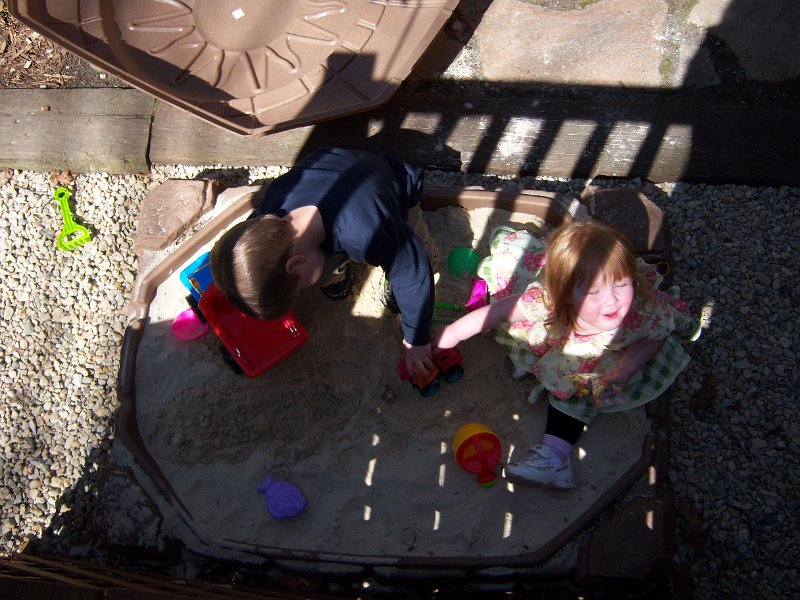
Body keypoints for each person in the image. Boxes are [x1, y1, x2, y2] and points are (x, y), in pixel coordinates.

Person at [434, 220, 699, 489]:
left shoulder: (643, 311)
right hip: (562, 335)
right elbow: (500, 311)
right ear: (567, 295)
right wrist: (454, 333)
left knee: (582, 393)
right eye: (594, 291)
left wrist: (625, 370)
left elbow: (656, 336)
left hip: (606, 354)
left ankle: (555, 458)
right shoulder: (549, 299)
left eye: (621, 284)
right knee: (515, 284)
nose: (612, 300)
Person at [209, 147, 439, 376]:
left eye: (299, 291)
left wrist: (417, 339)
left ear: (295, 263)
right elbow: (248, 242)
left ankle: (394, 287)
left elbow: (413, 271)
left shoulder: (364, 231)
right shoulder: (271, 213)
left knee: (417, 260)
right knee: (320, 270)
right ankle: (337, 277)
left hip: (393, 190)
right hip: (329, 178)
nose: (300, 293)